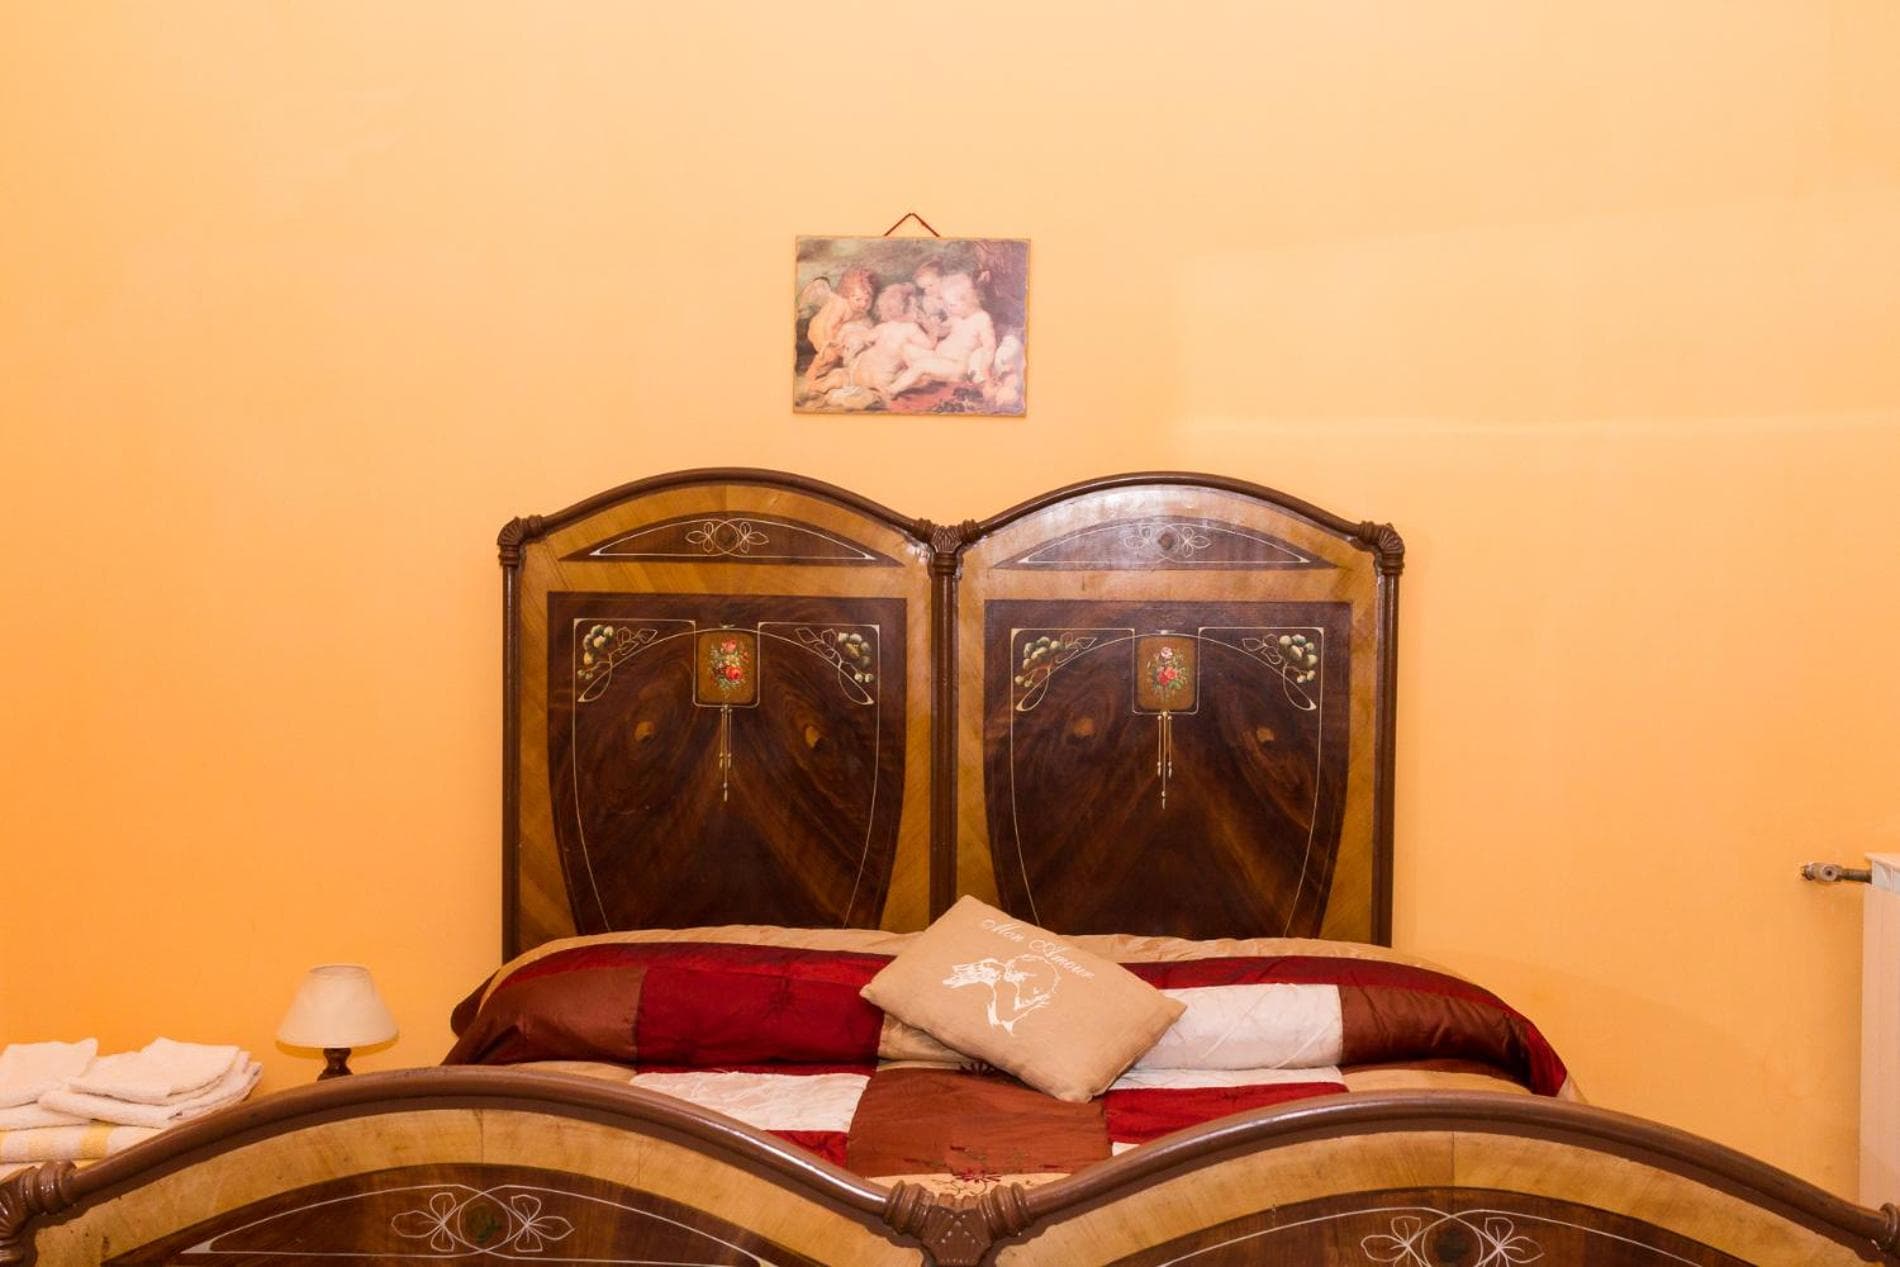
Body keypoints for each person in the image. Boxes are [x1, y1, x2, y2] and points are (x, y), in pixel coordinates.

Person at [889, 271, 995, 397]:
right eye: (947, 304)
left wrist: (985, 371)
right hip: (939, 356)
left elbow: (989, 348)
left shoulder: (982, 319)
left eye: (952, 305)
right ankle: (922, 379)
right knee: (906, 348)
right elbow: (942, 331)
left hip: (956, 366)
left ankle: (891, 390)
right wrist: (929, 323)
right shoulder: (957, 315)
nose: (948, 309)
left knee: (921, 365)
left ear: (968, 301)